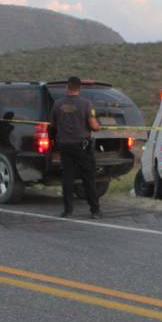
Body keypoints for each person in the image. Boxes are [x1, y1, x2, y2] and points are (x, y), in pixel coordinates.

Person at [51, 76, 103, 219]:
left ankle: (67, 211)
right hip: (82, 146)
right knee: (88, 178)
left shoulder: (57, 104)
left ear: (67, 87)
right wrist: (98, 126)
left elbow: (53, 124)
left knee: (68, 178)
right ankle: (95, 210)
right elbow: (93, 126)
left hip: (64, 145)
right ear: (80, 88)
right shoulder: (86, 104)